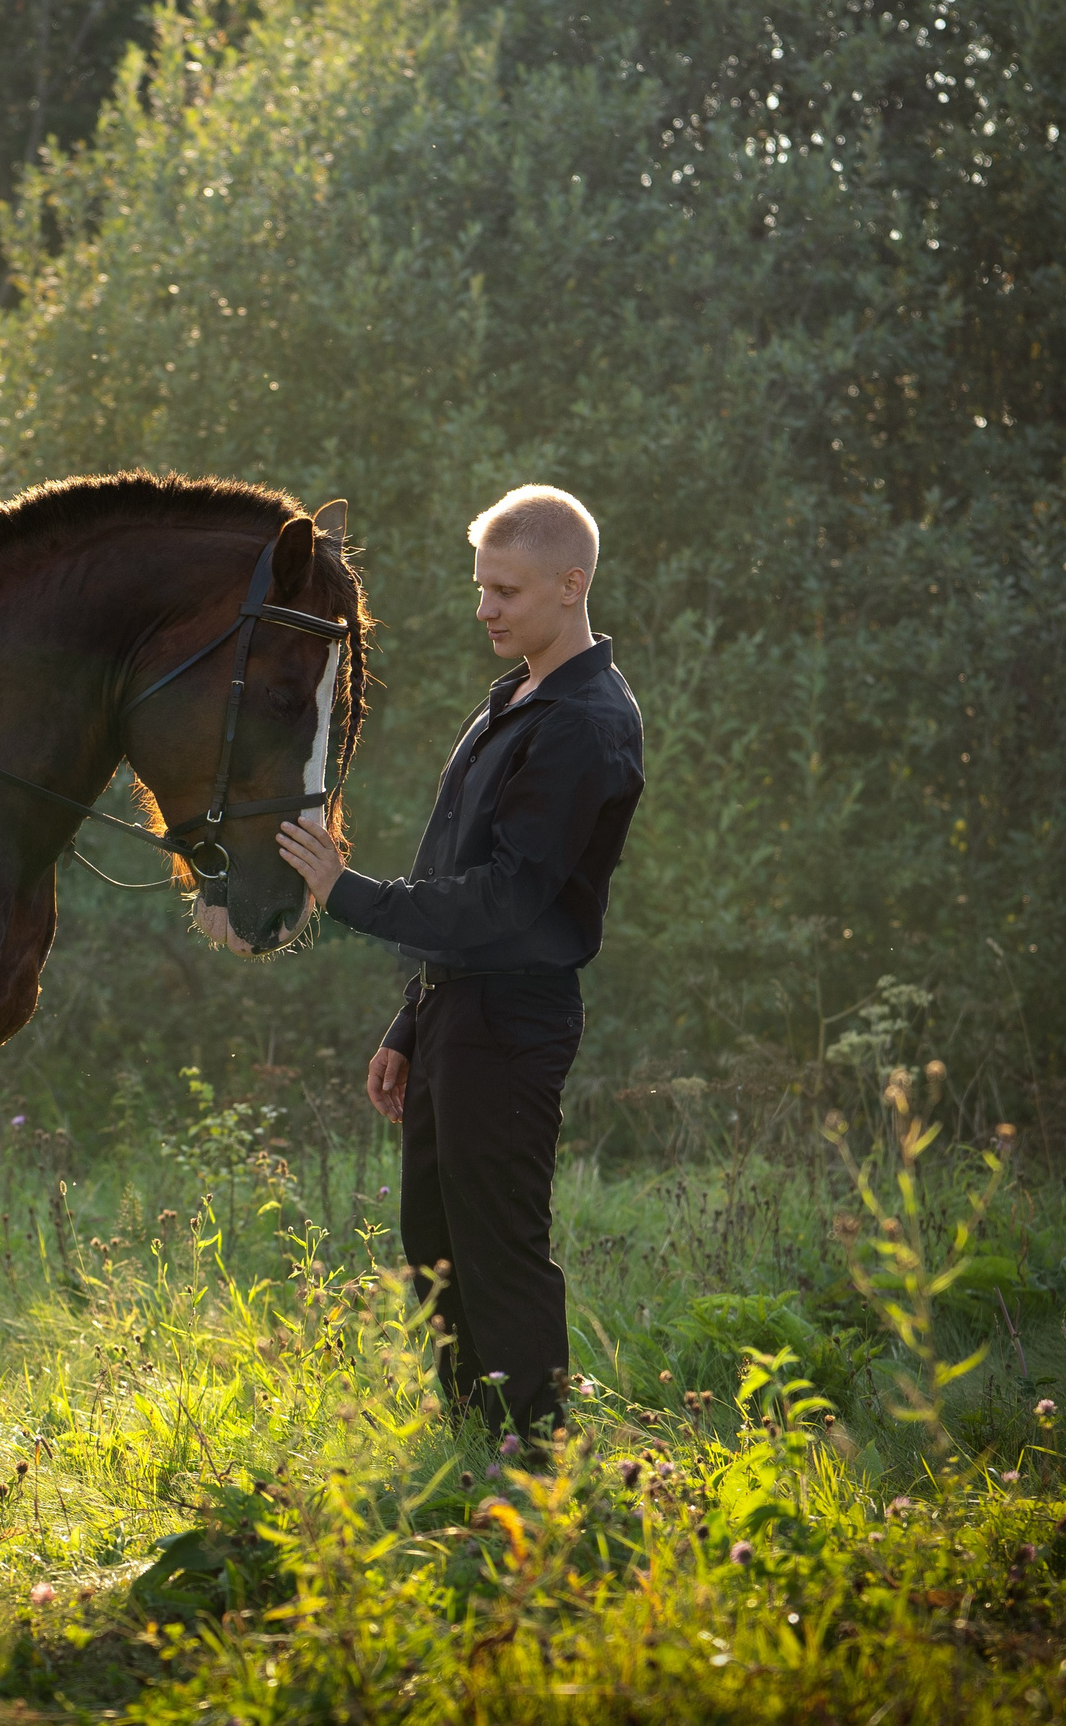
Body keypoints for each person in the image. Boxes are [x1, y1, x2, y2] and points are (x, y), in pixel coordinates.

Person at [275, 484, 642, 1437]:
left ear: (572, 585)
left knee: (499, 1251)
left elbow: (503, 901)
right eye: (480, 587)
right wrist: (410, 1018)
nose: (484, 608)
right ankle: (475, 1442)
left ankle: (536, 1463)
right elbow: (458, 869)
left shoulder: (583, 721)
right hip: (454, 1011)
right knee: (435, 1244)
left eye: (505, 592)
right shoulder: (515, 697)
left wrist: (343, 891)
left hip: (513, 1019)